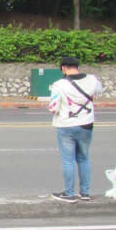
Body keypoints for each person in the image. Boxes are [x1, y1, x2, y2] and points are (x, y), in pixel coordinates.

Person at [47, 56, 103, 203]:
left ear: (63, 68)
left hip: (66, 125)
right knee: (84, 158)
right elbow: (99, 90)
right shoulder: (92, 79)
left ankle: (69, 193)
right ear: (77, 66)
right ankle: (85, 193)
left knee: (68, 160)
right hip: (86, 124)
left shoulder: (59, 85)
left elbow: (53, 108)